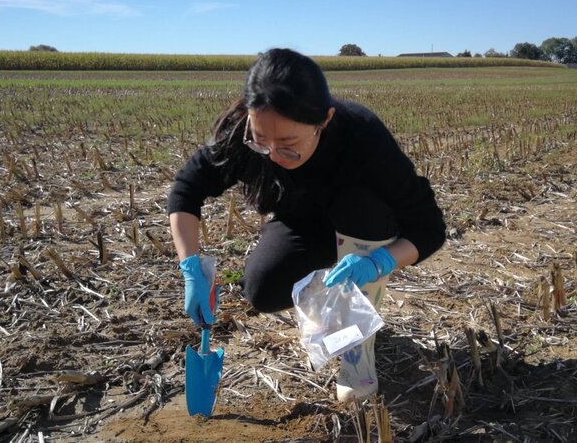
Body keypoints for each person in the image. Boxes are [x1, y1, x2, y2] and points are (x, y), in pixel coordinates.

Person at [168, 48, 446, 401]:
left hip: (366, 227)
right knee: (263, 290)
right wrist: (191, 267)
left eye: (288, 145)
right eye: (261, 140)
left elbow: (429, 228)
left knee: (358, 207)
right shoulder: (243, 134)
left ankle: (357, 353)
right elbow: (186, 190)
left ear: (324, 120)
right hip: (303, 222)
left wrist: (379, 262)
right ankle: (335, 307)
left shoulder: (363, 136)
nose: (273, 155)